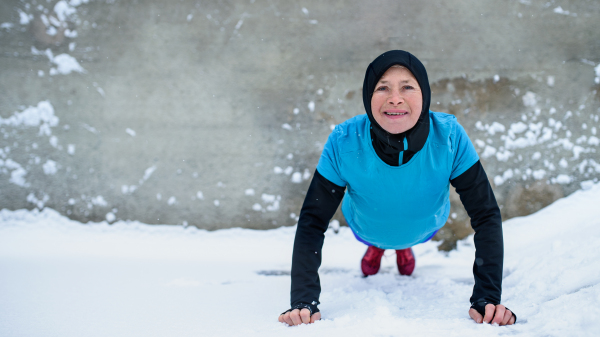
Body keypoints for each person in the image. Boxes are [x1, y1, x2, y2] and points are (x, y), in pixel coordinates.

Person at [277, 50, 516, 327]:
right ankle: (378, 247)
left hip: (426, 225)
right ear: (368, 96)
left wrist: (487, 297)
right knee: (380, 231)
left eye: (407, 87)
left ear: (424, 94)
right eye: (382, 88)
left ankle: (398, 247)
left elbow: (485, 214)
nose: (395, 98)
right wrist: (303, 301)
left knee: (405, 231)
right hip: (366, 226)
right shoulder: (343, 141)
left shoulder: (449, 136)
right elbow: (313, 220)